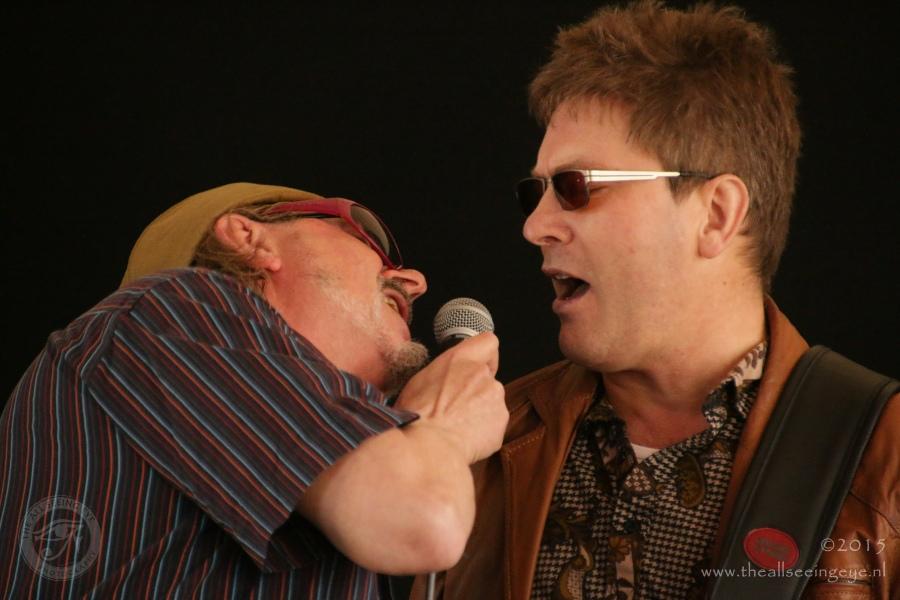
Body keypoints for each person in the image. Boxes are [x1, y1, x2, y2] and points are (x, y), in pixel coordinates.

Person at [416, 2, 898, 599]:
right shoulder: (485, 442)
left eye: (575, 187)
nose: (535, 226)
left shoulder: (886, 460)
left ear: (716, 214)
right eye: (534, 192)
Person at [0, 182, 508, 598]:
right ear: (249, 237)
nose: (414, 280)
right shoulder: (173, 307)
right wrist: (445, 430)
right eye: (367, 241)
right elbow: (423, 521)